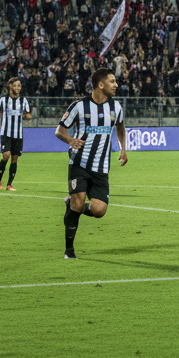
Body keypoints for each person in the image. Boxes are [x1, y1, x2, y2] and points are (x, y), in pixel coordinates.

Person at [56, 68, 128, 259]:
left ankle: (72, 205)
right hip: (79, 163)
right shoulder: (79, 106)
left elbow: (120, 127)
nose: (116, 85)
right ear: (100, 84)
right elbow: (60, 130)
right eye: (112, 81)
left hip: (101, 168)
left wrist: (123, 148)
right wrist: (71, 141)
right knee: (78, 203)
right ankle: (69, 250)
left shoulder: (116, 107)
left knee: (99, 210)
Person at [0, 77, 31, 191]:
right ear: (10, 86)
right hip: (6, 133)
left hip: (18, 135)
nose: (17, 88)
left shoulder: (24, 101)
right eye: (15, 85)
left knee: (14, 159)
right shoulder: (3, 100)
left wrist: (27, 116)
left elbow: (28, 114)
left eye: (19, 86)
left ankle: (9, 184)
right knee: (6, 155)